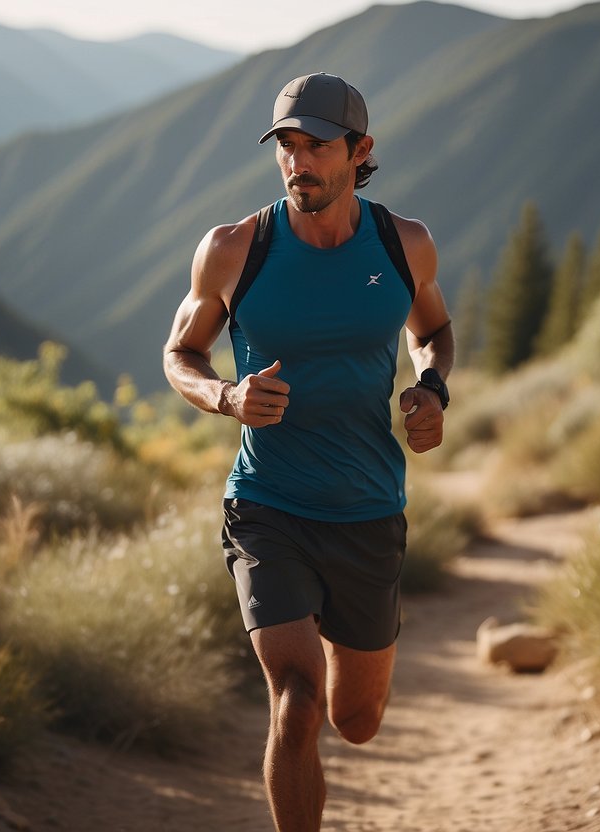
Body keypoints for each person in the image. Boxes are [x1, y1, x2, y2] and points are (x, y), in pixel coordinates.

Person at [162, 71, 454, 832]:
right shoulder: (234, 248)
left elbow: (433, 331)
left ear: (359, 151)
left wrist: (432, 389)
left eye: (316, 146)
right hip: (268, 504)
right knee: (296, 699)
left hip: (366, 509)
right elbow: (180, 354)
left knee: (356, 720)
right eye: (286, 146)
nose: (298, 163)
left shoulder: (402, 242)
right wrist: (226, 397)